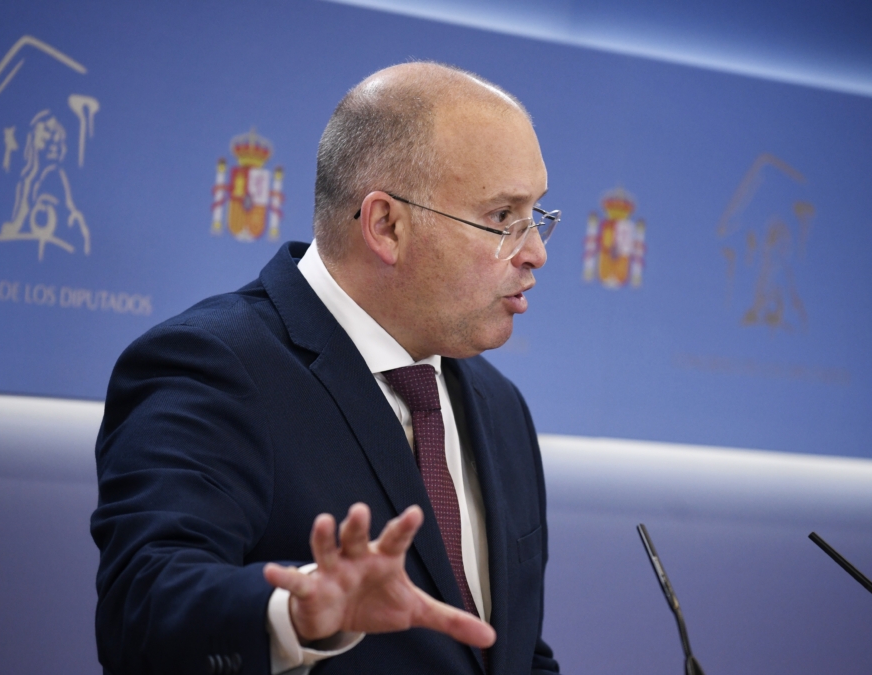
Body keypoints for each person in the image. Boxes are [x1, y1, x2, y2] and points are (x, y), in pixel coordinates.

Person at [91, 62, 562, 675]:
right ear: (386, 225)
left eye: (537, 215)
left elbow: (516, 652)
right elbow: (143, 612)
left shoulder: (500, 406)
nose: (536, 253)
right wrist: (294, 614)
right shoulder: (212, 366)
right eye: (502, 218)